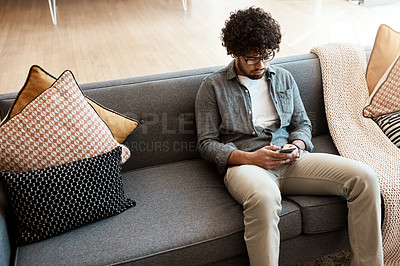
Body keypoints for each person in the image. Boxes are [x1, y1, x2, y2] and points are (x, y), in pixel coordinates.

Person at [195, 6, 383, 266]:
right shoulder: (212, 86)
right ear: (235, 52)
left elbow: (302, 123)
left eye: (266, 56)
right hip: (247, 166)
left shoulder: (283, 78)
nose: (260, 65)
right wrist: (251, 158)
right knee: (264, 197)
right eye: (251, 59)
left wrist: (296, 145)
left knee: (365, 179)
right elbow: (206, 144)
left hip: (292, 160)